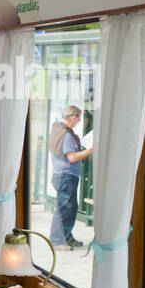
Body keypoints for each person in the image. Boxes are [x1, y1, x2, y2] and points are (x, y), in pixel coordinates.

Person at [48, 105, 92, 247]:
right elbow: (72, 157)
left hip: (63, 176)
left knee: (70, 207)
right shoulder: (66, 134)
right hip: (66, 177)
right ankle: (57, 240)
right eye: (78, 119)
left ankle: (67, 237)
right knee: (64, 209)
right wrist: (90, 150)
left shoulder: (58, 130)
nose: (79, 122)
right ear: (72, 118)